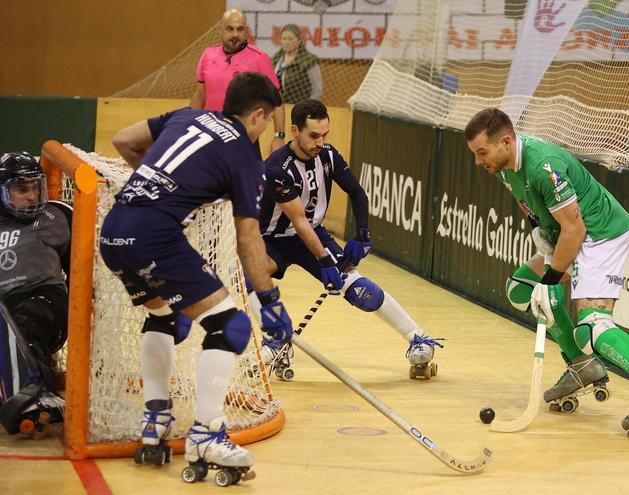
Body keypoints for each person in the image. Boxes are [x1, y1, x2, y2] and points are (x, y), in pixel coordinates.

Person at [100, 72, 293, 478]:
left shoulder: (187, 115)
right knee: (231, 326)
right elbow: (248, 236)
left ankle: (155, 421)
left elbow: (123, 140)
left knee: (163, 317)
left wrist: (164, 191)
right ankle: (206, 434)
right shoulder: (244, 156)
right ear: (258, 114)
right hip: (155, 235)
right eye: (271, 118)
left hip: (115, 230)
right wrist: (269, 299)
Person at [464, 108, 629, 437]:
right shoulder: (502, 165)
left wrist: (553, 277)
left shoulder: (543, 167)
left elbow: (575, 230)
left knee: (592, 328)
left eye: (481, 153)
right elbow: (526, 200)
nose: (477, 162)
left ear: (507, 141)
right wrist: (538, 233)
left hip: (599, 234)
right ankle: (580, 366)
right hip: (569, 232)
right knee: (521, 290)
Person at [256, 99, 444, 379]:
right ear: (294, 131)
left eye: (325, 135)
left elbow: (357, 193)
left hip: (312, 232)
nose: (321, 142)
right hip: (270, 238)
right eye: (314, 136)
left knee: (360, 292)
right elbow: (298, 221)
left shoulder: (329, 156)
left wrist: (363, 236)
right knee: (252, 277)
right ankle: (276, 336)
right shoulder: (277, 169)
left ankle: (418, 337)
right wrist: (324, 261)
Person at [0, 152, 70, 434]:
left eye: (35, 187)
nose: (31, 197)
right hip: (4, 309)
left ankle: (30, 394)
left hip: (44, 301)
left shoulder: (57, 214)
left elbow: (84, 269)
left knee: (25, 326)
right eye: (21, 189)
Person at [190, 9, 287, 154]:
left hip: (244, 140)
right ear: (220, 30)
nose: (235, 34)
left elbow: (277, 101)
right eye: (230, 29)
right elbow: (200, 95)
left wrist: (279, 136)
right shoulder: (208, 55)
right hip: (208, 136)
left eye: (240, 29)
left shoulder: (260, 59)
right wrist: (188, 125)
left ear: (246, 31)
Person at [272, 25, 323, 104]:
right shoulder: (276, 58)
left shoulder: (308, 60)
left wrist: (307, 106)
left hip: (301, 106)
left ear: (298, 41)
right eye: (284, 39)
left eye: (290, 39)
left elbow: (317, 90)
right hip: (279, 105)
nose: (286, 42)